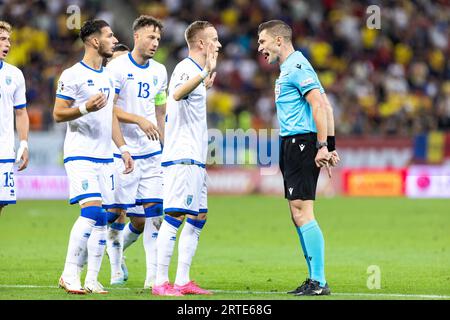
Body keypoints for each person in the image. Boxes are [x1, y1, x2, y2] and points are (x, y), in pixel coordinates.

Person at [257, 20, 340, 296]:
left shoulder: (297, 66)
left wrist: (321, 146)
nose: (260, 48)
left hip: (302, 142)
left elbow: (319, 104)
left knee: (303, 211)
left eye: (263, 42)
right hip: (295, 143)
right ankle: (313, 278)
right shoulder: (290, 69)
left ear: (279, 40)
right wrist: (329, 144)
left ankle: (319, 281)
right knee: (297, 213)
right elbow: (325, 106)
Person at [53, 19, 133, 294]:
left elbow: (110, 116)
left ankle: (92, 278)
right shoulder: (72, 75)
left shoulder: (108, 77)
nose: (114, 40)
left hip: (104, 157)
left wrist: (122, 148)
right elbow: (58, 113)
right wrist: (84, 108)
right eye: (110, 36)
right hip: (80, 154)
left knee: (103, 218)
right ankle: (69, 273)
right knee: (92, 212)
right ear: (95, 41)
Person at [153, 20, 219, 296]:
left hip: (195, 157)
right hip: (182, 157)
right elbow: (177, 94)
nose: (219, 44)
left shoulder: (195, 72)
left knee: (199, 215)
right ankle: (160, 282)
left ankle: (182, 280)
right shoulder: (185, 68)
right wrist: (204, 72)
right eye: (214, 39)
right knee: (175, 215)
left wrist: (205, 77)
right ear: (201, 44)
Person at [104, 15, 167, 288]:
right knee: (115, 212)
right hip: (122, 152)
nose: (155, 43)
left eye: (158, 39)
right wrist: (139, 120)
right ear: (137, 36)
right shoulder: (116, 68)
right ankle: (105, 256)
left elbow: (160, 109)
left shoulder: (160, 71)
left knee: (152, 214)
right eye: (151, 37)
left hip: (151, 153)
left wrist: (163, 144)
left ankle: (153, 279)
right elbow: (108, 109)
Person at [0, 21, 29, 216]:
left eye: (9, 40)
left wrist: (24, 143)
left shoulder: (15, 74)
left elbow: (21, 112)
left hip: (4, 149)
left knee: (1, 203)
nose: (7, 44)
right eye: (2, 39)